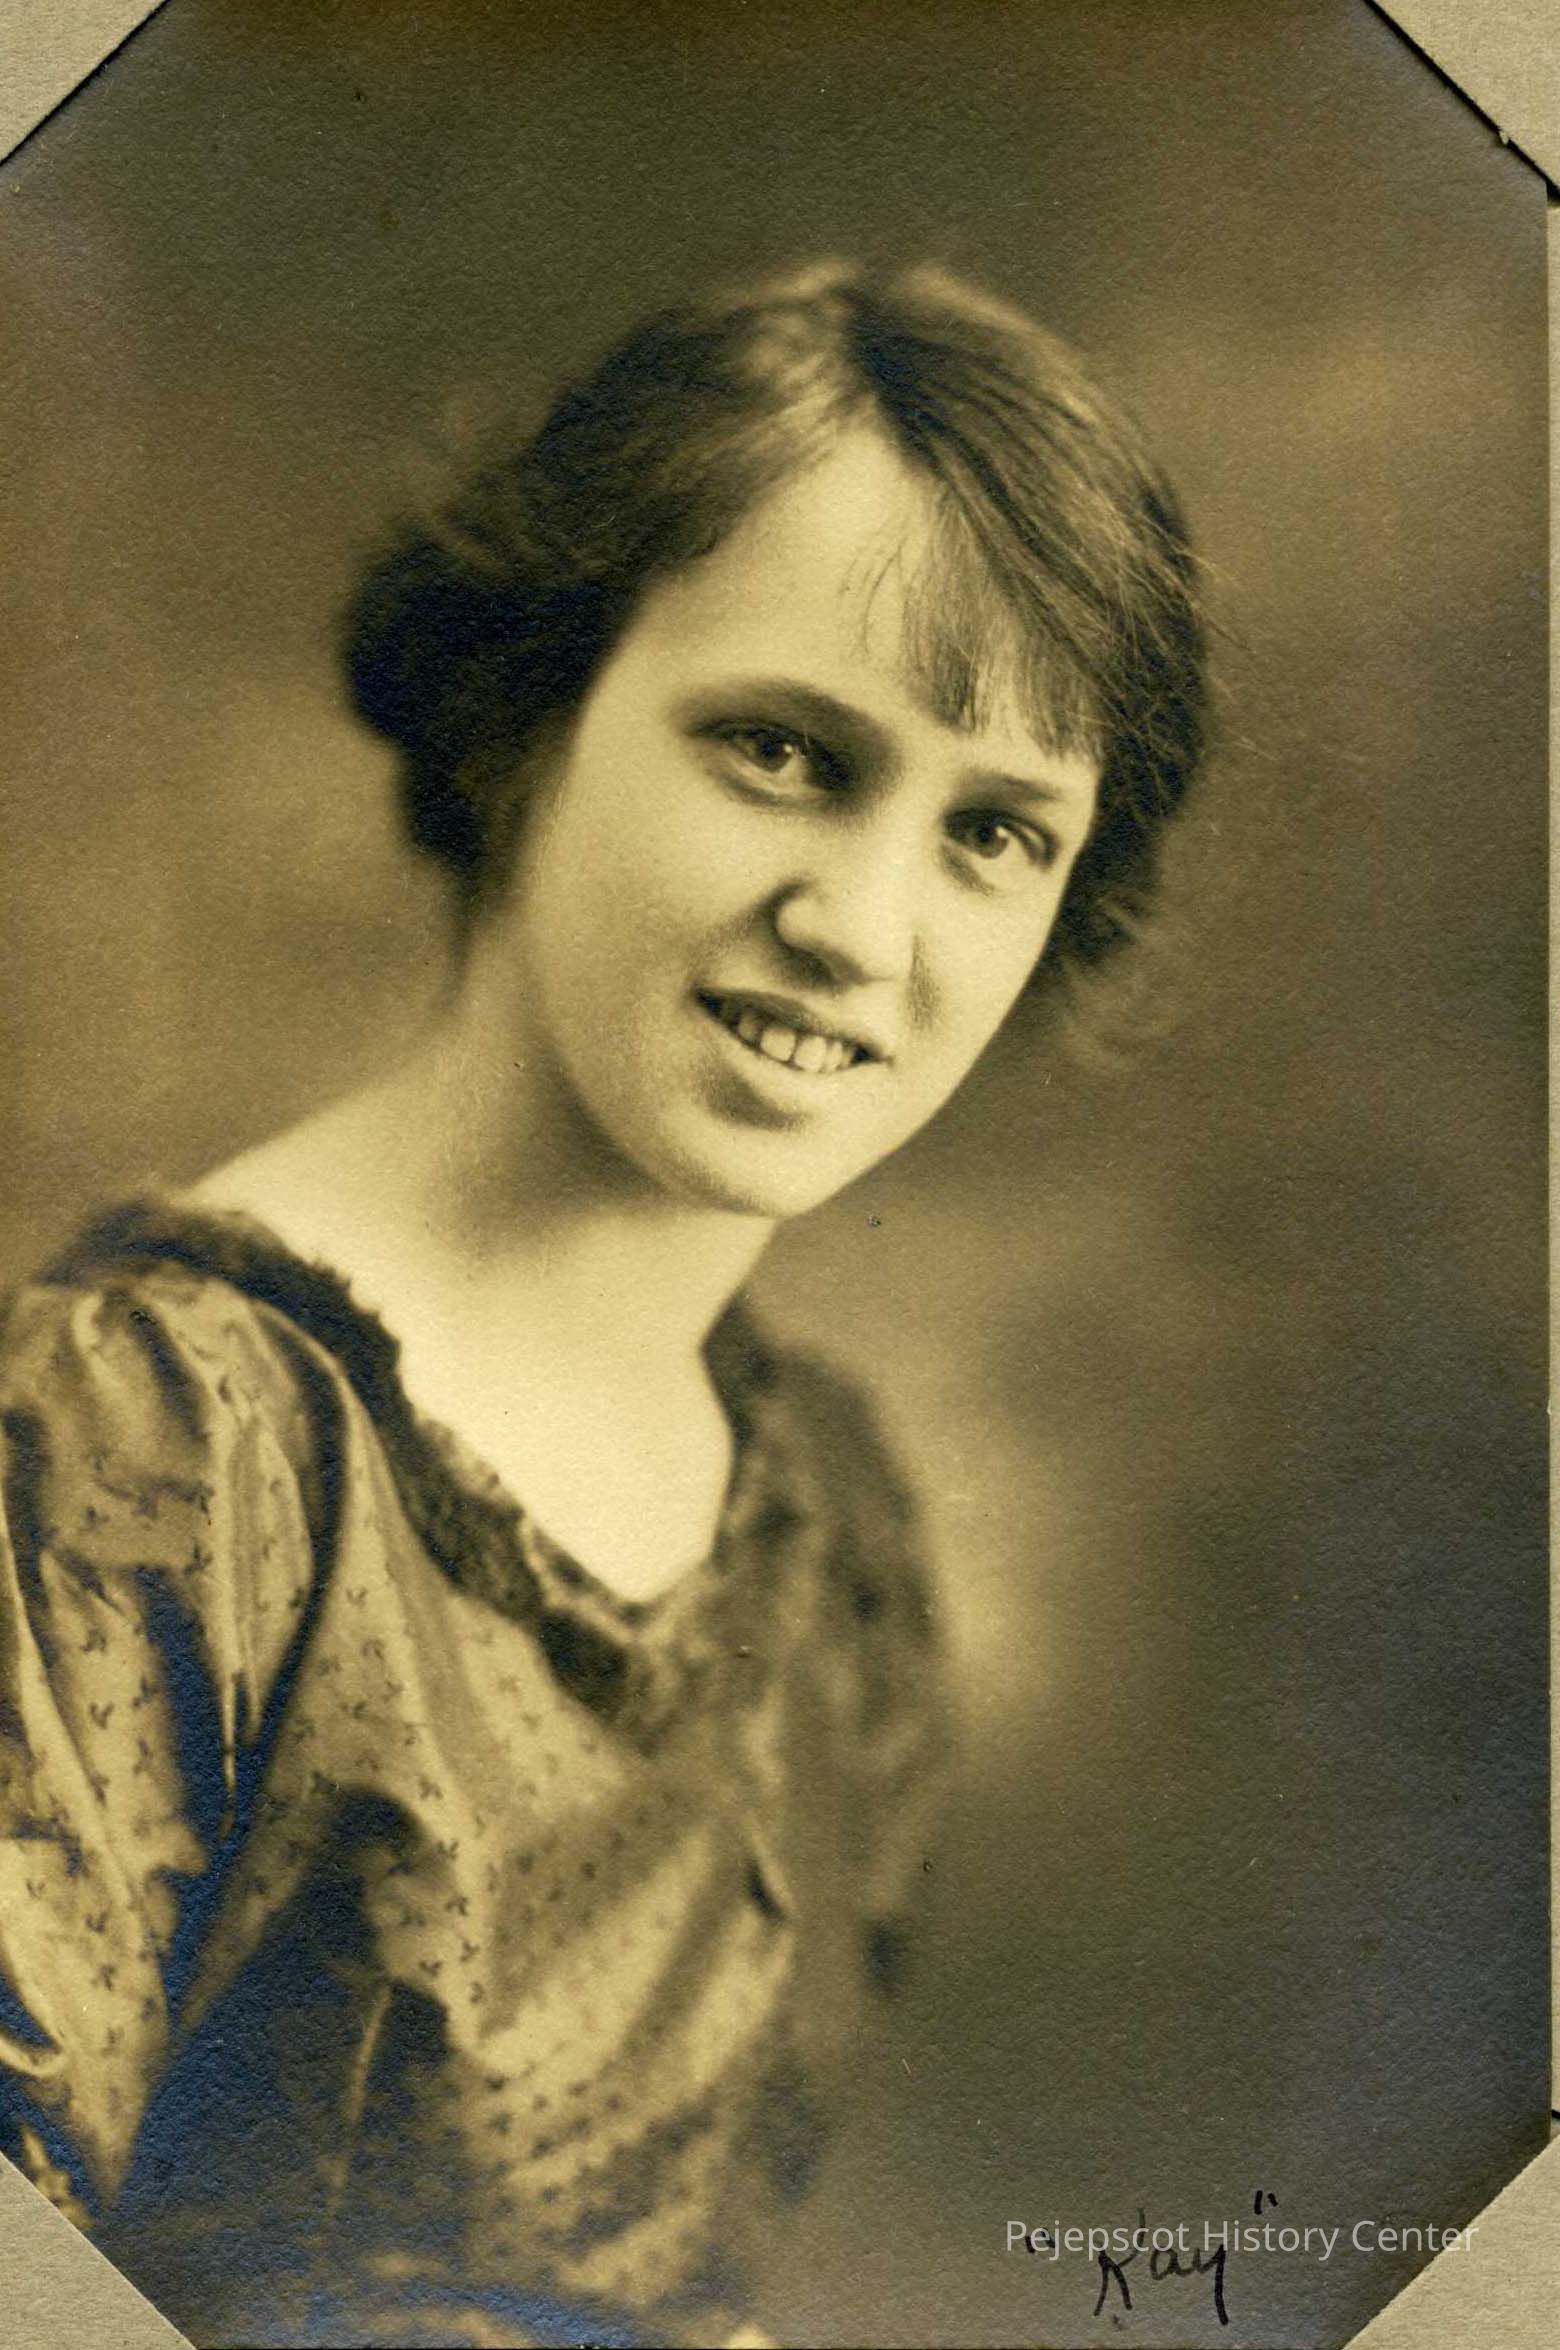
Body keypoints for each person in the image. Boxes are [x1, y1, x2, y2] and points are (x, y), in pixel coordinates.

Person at [0, 260, 1206, 2348]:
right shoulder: (156, 1444)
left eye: (996, 832)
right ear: (527, 706)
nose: (861, 925)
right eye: (782, 749)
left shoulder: (835, 1553)